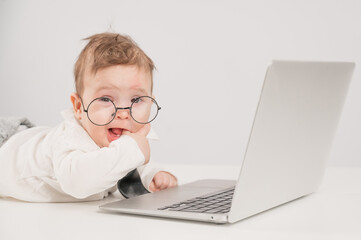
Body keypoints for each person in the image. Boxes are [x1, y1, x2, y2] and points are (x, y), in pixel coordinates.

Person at [0, 32, 177, 202]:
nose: (124, 113)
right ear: (79, 106)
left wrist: (152, 174)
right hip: (8, 148)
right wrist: (132, 150)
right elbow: (77, 182)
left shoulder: (125, 140)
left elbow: (131, 162)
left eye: (136, 99)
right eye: (106, 99)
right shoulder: (71, 140)